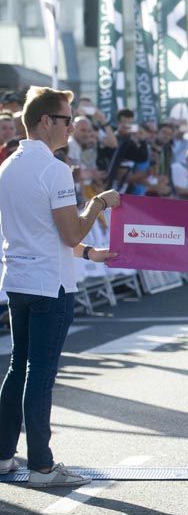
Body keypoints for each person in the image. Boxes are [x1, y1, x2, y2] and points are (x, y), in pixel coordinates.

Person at [0, 86, 120, 487]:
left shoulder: (8, 165)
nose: (71, 127)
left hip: (18, 278)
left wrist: (87, 254)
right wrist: (98, 203)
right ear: (46, 121)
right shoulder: (54, 169)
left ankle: (3, 455)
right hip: (50, 285)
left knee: (19, 368)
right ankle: (41, 466)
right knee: (39, 373)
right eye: (67, 119)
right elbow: (68, 234)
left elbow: (49, 235)